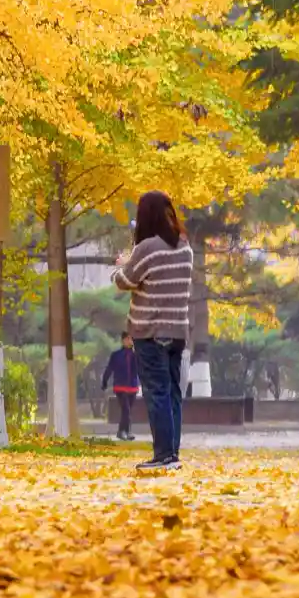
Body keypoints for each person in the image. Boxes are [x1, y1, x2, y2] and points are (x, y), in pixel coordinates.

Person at [112, 191, 193, 471]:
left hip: (149, 330)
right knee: (172, 393)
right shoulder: (185, 247)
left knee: (156, 392)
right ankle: (172, 454)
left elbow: (125, 280)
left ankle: (163, 455)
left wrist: (122, 264)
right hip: (178, 331)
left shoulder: (148, 248)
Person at [102, 331, 139, 440]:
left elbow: (140, 370)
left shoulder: (135, 355)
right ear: (123, 340)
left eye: (131, 339)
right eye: (127, 339)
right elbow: (109, 369)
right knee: (126, 409)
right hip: (120, 386)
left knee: (127, 411)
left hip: (132, 386)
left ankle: (123, 431)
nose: (129, 341)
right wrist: (104, 381)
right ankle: (124, 431)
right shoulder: (116, 355)